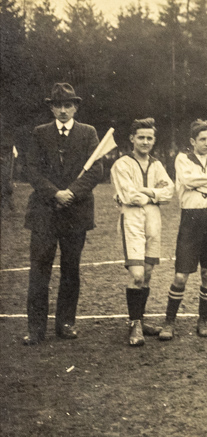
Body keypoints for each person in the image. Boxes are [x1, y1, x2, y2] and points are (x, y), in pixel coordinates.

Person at [23, 83, 103, 345]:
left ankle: (66, 323)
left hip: (75, 213)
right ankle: (35, 329)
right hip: (44, 213)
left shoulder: (88, 133)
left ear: (76, 107)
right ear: (51, 107)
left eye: (68, 105)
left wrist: (71, 193)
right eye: (58, 105)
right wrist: (54, 193)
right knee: (39, 270)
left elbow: (95, 170)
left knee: (71, 270)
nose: (63, 110)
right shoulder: (39, 133)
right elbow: (32, 170)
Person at [159, 119, 207, 341]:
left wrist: (205, 183)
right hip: (191, 218)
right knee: (181, 275)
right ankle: (169, 322)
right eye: (202, 139)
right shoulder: (182, 159)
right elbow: (187, 181)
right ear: (192, 141)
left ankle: (203, 320)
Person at [111, 118, 174, 346]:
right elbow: (129, 196)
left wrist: (147, 193)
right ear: (132, 139)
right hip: (132, 220)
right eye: (141, 137)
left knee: (147, 274)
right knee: (137, 275)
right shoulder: (122, 164)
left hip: (153, 221)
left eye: (149, 138)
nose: (145, 141)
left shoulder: (157, 165)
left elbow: (170, 191)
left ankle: (141, 319)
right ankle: (134, 324)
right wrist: (154, 194)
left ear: (154, 140)